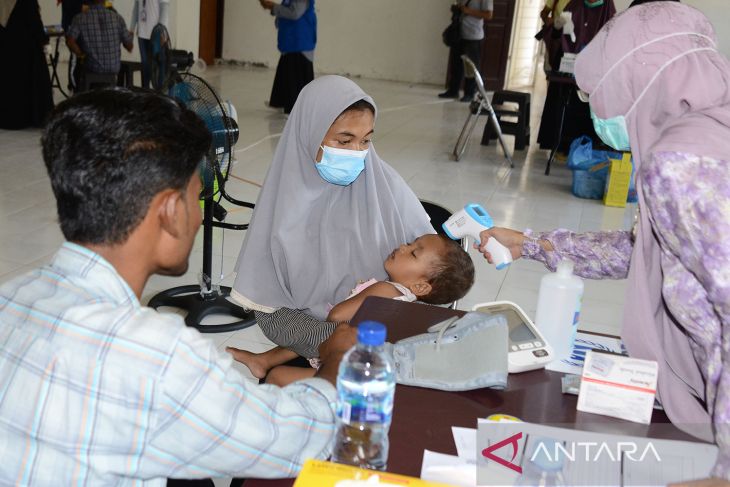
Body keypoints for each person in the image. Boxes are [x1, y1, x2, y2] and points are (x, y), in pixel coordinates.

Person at [0, 88, 358, 486]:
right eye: (196, 196)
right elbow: (292, 440)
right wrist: (339, 358)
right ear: (171, 212)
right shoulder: (153, 355)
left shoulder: (10, 298)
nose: (199, 212)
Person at [478, 3, 730, 482]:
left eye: (596, 94)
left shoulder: (681, 162)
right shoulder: (712, 131)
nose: (595, 110)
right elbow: (649, 250)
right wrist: (529, 243)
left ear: (636, 82)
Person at [227, 75, 436, 363]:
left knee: (373, 336)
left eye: (365, 141)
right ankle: (341, 354)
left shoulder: (383, 184)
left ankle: (327, 358)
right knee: (290, 324)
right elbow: (266, 291)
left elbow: (435, 266)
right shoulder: (284, 192)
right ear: (310, 131)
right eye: (344, 140)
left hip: (374, 315)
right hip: (307, 318)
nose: (356, 152)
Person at [228, 233, 475, 384]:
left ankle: (276, 421)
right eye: (410, 243)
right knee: (311, 336)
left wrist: (351, 298)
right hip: (356, 363)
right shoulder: (410, 305)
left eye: (412, 253)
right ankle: (263, 359)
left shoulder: (385, 290)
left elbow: (337, 316)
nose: (402, 247)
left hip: (341, 362)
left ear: (421, 286)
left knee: (280, 370)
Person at [535, 0, 615, 153]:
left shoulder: (607, 11)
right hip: (567, 66)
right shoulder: (575, 5)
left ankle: (582, 148)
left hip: (593, 74)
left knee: (585, 110)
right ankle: (558, 146)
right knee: (561, 103)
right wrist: (557, 26)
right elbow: (556, 34)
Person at [0, 0, 53, 130]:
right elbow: (34, 22)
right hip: (25, 50)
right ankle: (29, 117)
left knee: (8, 83)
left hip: (4, 49)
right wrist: (44, 41)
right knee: (26, 82)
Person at [259, 0, 315, 114]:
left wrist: (274, 7)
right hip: (291, 41)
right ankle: (281, 102)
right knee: (285, 73)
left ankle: (293, 109)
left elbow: (295, 13)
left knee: (295, 76)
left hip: (299, 42)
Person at [66, 0, 133, 90]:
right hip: (113, 69)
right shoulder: (117, 18)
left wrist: (81, 54)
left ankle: (80, 96)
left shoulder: (80, 18)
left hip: (93, 68)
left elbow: (70, 42)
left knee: (79, 69)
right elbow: (129, 47)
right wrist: (127, 36)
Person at [438, 0, 493, 102]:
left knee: (471, 67)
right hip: (458, 33)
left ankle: (469, 93)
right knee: (455, 64)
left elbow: (488, 15)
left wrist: (467, 10)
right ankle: (453, 91)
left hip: (473, 36)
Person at [129, 0, 169, 89]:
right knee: (145, 66)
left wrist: (162, 30)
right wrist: (131, 29)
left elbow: (164, 8)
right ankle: (146, 93)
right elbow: (136, 8)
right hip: (142, 34)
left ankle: (160, 94)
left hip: (156, 34)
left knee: (157, 66)